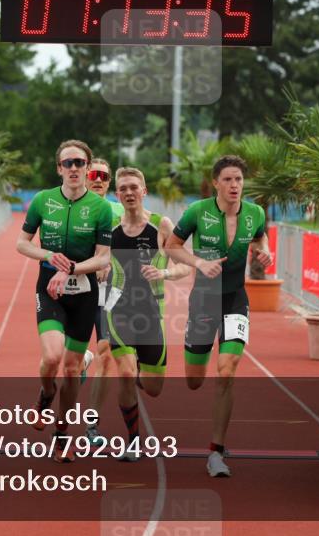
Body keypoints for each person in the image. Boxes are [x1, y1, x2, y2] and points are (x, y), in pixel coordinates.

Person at [164, 154, 272, 477]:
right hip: (203, 301)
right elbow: (172, 246)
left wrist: (264, 250)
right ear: (216, 183)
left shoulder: (254, 213)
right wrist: (198, 263)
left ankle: (216, 452)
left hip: (236, 298)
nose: (234, 185)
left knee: (227, 369)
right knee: (195, 380)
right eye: (227, 179)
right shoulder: (198, 212)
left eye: (238, 179)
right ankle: (196, 361)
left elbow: (260, 236)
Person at [16, 140, 113, 461]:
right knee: (52, 357)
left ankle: (61, 434)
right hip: (49, 289)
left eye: (80, 163)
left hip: (84, 294)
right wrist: (50, 256)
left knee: (72, 370)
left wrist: (72, 267)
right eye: (68, 163)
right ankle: (46, 393)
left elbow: (102, 259)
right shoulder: (43, 201)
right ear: (59, 168)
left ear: (87, 168)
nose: (74, 169)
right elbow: (22, 243)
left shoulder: (100, 209)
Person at [104, 167, 190, 460]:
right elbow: (97, 260)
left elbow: (184, 266)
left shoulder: (161, 225)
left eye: (134, 187)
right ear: (118, 194)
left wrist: (164, 270)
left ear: (144, 191)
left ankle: (143, 373)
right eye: (123, 188)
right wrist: (101, 269)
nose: (129, 192)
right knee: (126, 374)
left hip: (151, 313)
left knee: (153, 388)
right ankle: (133, 442)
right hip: (118, 310)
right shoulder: (110, 227)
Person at [84, 157, 122, 446]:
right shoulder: (73, 208)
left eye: (104, 176)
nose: (98, 179)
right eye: (93, 174)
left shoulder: (120, 210)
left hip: (108, 291)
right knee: (62, 356)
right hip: (75, 289)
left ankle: (92, 425)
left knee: (106, 354)